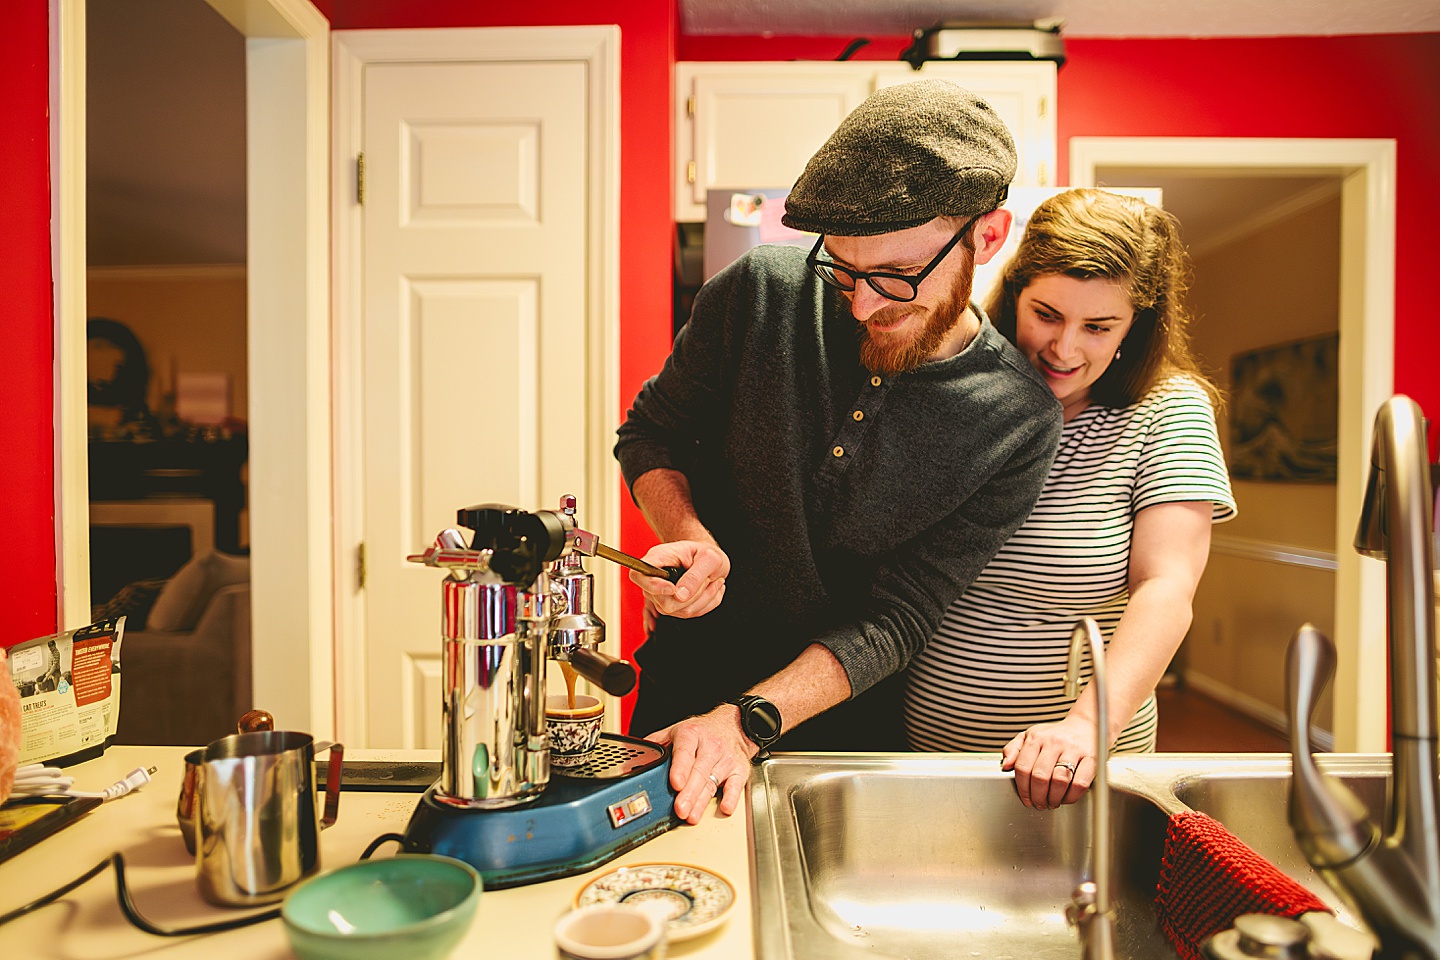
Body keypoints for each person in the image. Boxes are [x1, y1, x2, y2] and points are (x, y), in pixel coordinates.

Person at [614, 79, 1065, 824]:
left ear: (986, 236)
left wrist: (748, 721)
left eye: (895, 277)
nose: (862, 305)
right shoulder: (758, 291)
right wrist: (689, 538)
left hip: (845, 733)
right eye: (844, 270)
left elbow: (901, 614)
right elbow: (649, 432)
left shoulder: (1017, 418)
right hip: (682, 694)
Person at [902, 187, 1237, 811]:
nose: (1065, 348)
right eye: (1047, 314)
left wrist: (1088, 725)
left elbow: (1166, 586)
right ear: (1014, 294)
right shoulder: (957, 387)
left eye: (1098, 327)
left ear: (1137, 325)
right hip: (927, 752)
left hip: (1079, 765)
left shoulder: (1167, 409)